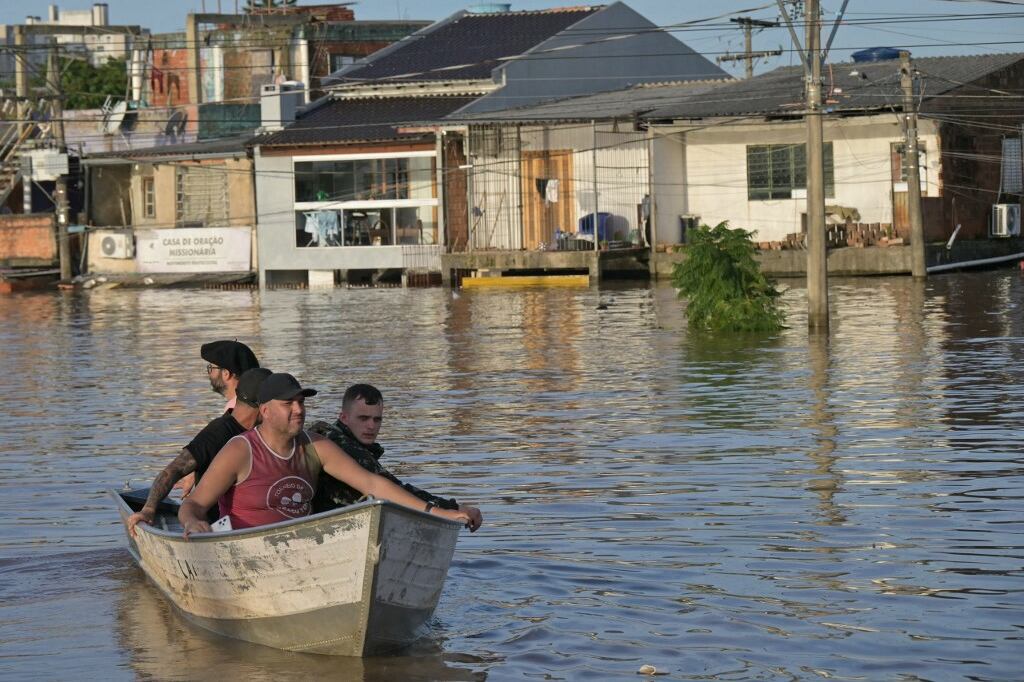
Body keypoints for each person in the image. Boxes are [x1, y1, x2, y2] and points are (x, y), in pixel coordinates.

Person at [178, 374, 472, 536]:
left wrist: (439, 512)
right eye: (288, 403)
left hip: (302, 546)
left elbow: (373, 484)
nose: (299, 409)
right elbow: (193, 505)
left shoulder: (315, 446)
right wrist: (193, 523)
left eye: (301, 402)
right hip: (244, 548)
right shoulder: (240, 449)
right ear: (265, 411)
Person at [310, 384, 483, 532]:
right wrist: (452, 509)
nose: (371, 426)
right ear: (344, 418)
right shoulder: (340, 444)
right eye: (363, 418)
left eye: (377, 419)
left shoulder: (334, 438)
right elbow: (390, 487)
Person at [125, 368, 272, 537]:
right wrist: (149, 510)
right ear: (262, 406)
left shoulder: (266, 432)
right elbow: (174, 470)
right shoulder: (217, 433)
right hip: (212, 529)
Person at [201, 340, 260, 412]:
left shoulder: (235, 411)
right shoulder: (260, 403)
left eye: (211, 368)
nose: (209, 373)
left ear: (226, 373)